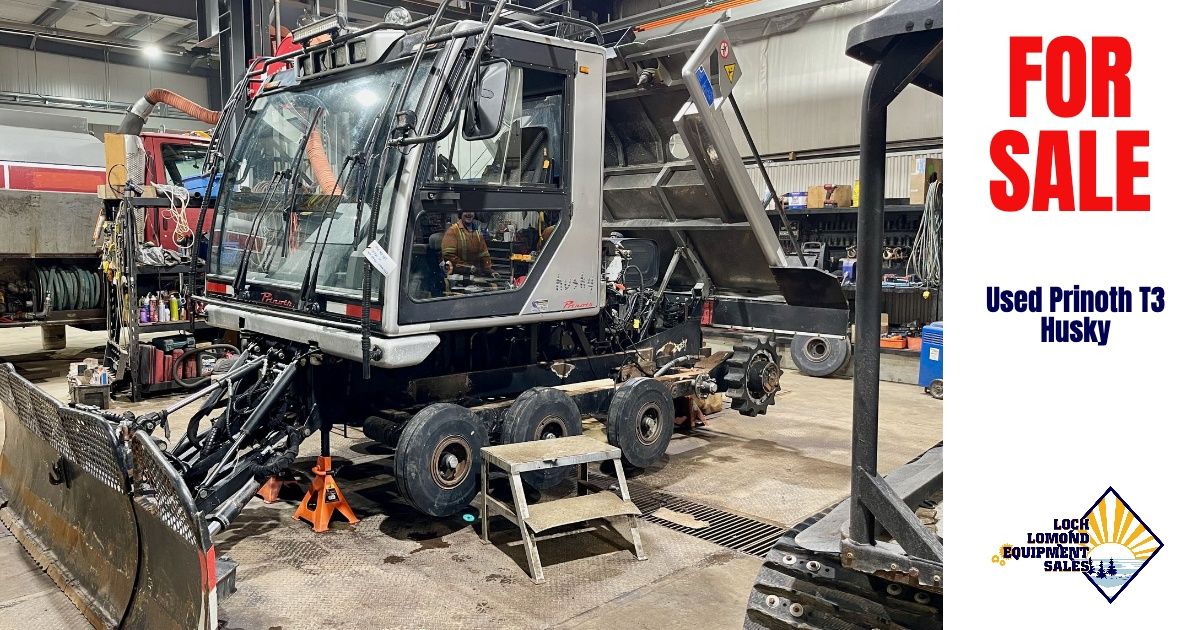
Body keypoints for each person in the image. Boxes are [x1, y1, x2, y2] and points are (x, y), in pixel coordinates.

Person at [442, 211, 495, 276]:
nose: (469, 214)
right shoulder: (452, 231)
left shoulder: (477, 233)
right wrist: (468, 267)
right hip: (457, 278)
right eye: (466, 211)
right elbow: (448, 256)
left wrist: (490, 271)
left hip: (475, 277)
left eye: (471, 211)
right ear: (460, 213)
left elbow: (484, 255)